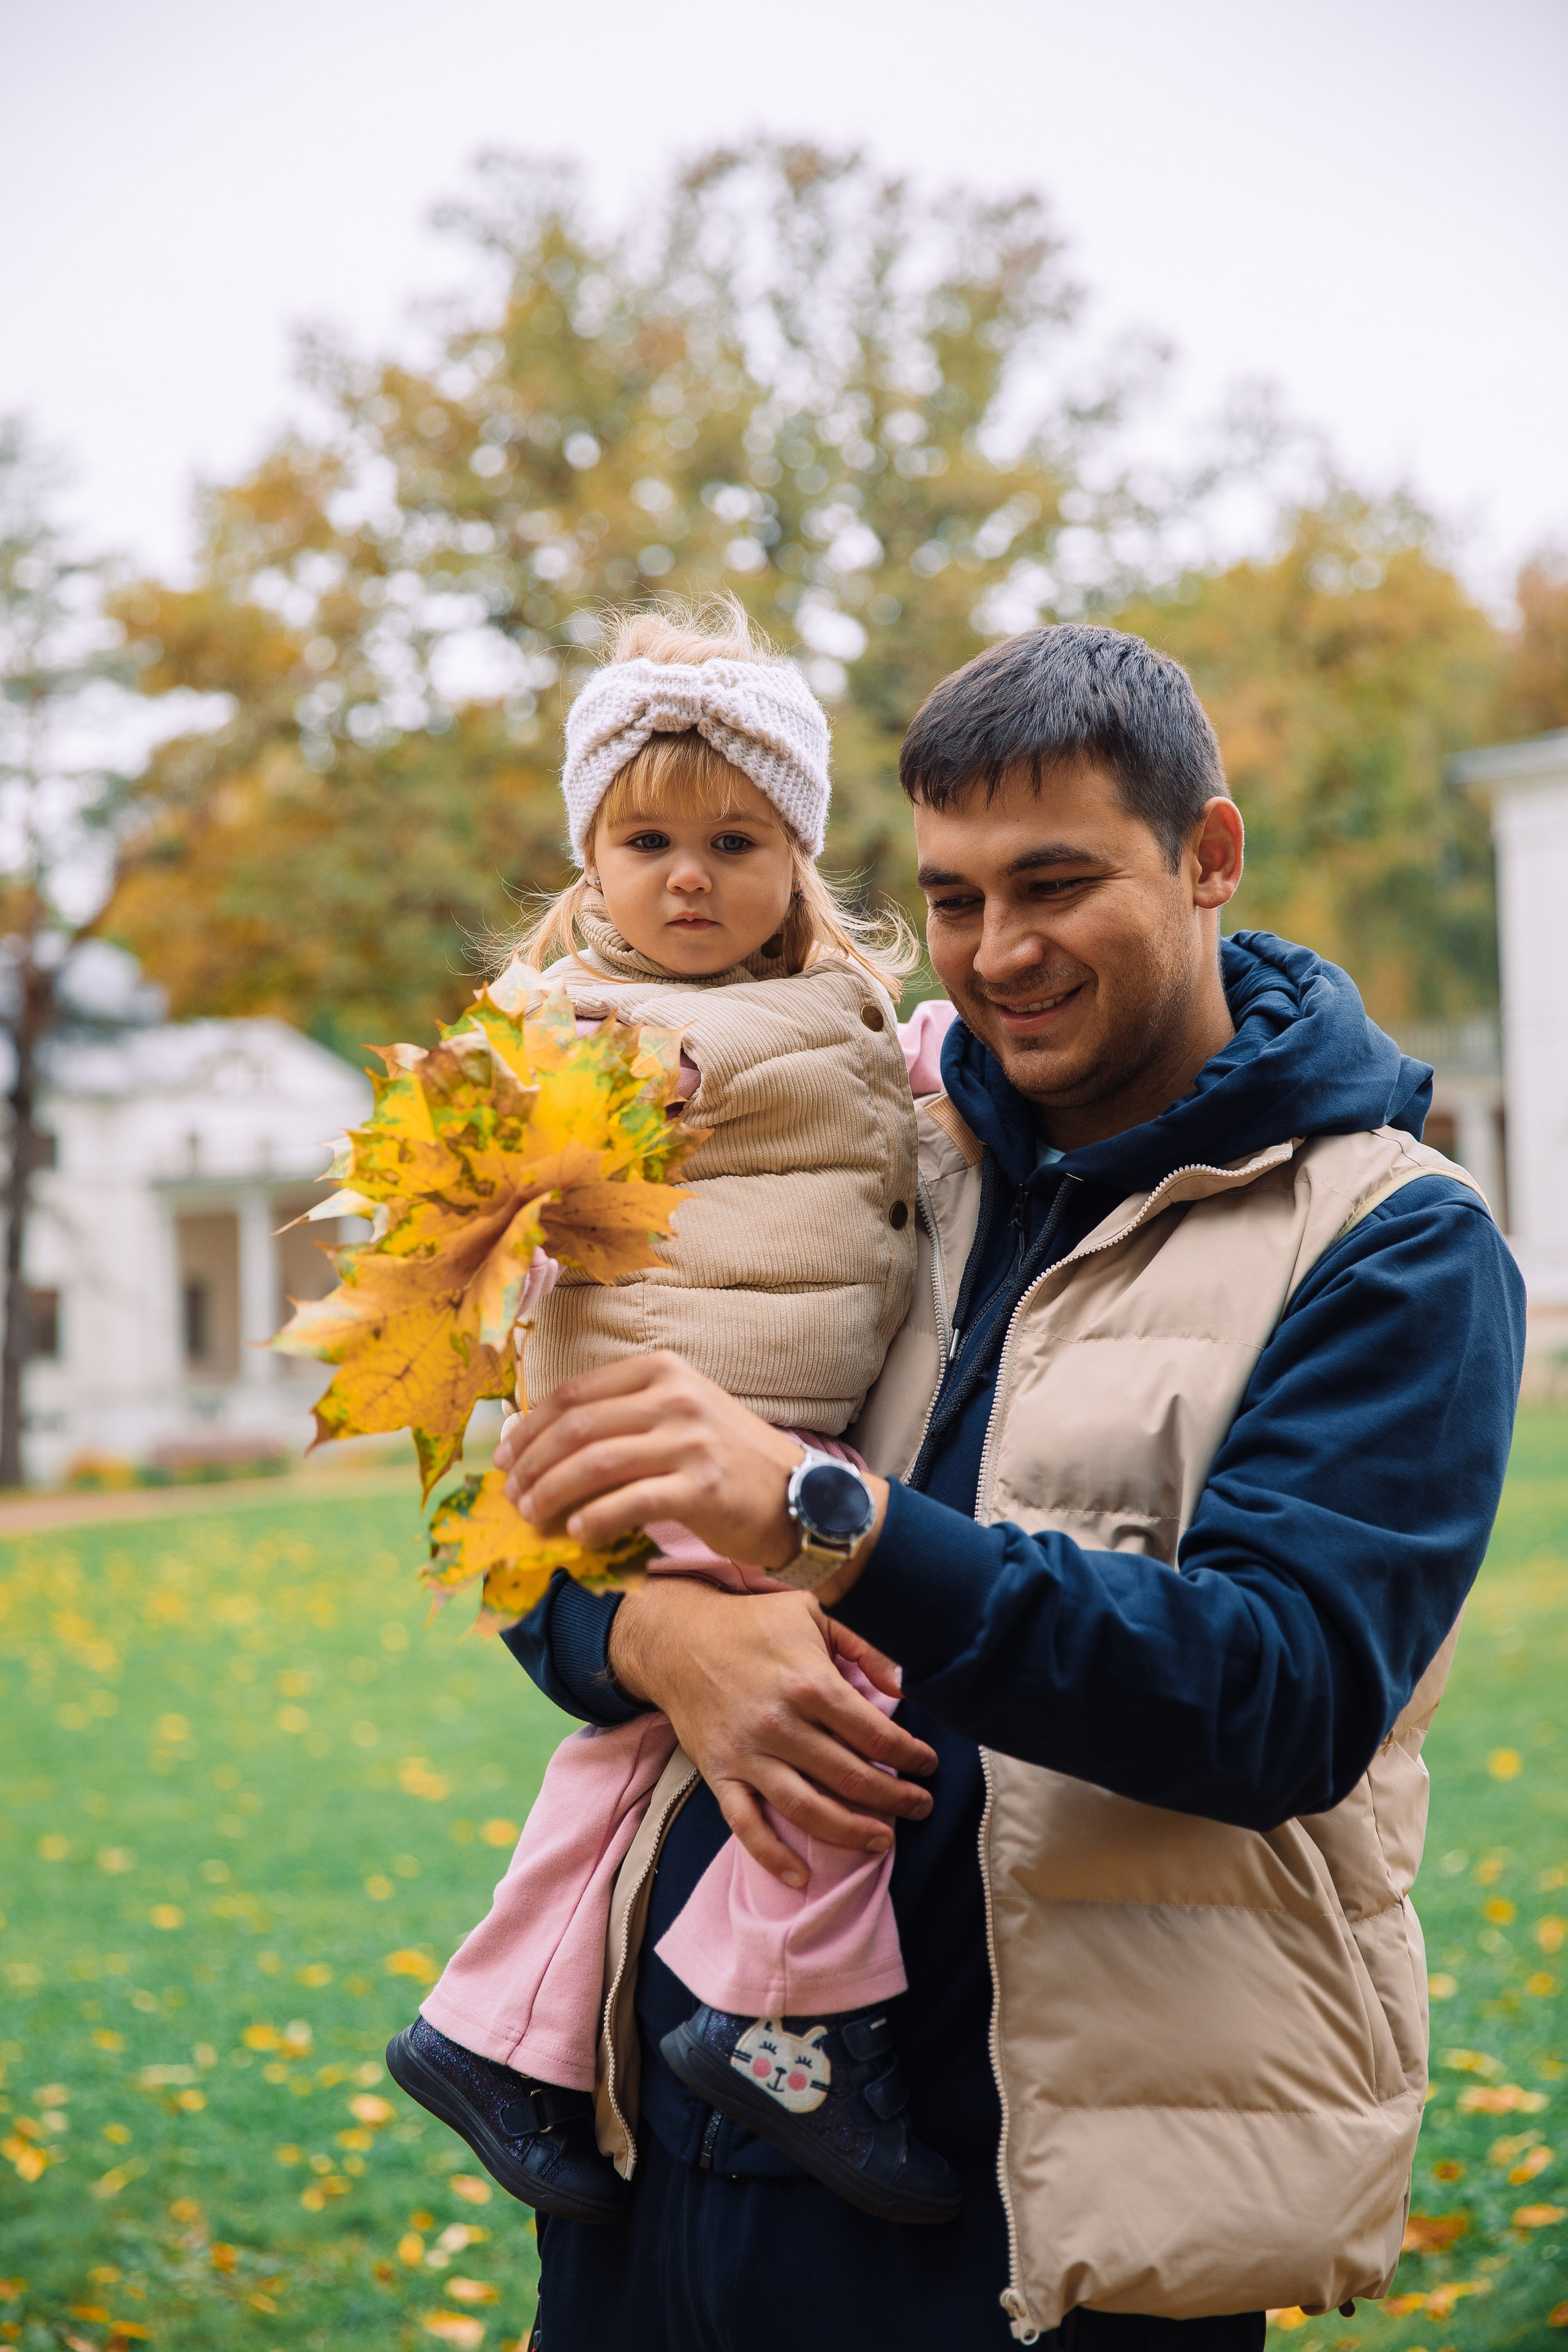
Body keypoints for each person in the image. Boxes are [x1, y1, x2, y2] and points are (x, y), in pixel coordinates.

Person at [488, 622, 1526, 2352]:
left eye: (1057, 884)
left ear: (1210, 857)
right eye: (957, 898)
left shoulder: (1389, 1242)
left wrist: (837, 1533)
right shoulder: (867, 1135)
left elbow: (1276, 1700)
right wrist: (658, 1636)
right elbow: (541, 1508)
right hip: (655, 2150)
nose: (998, 951)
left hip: (1027, 2211)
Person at [386, 602, 964, 2231]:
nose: (688, 876)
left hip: (771, 1441)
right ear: (592, 858)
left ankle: (498, 2030)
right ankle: (786, 2018)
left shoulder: (850, 1017)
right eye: (646, 842)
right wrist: (613, 1103)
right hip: (668, 1440)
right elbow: (481, 1179)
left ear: (799, 854)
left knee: (637, 1749)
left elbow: (901, 1112)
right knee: (841, 1693)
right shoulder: (582, 1025)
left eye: (736, 839)